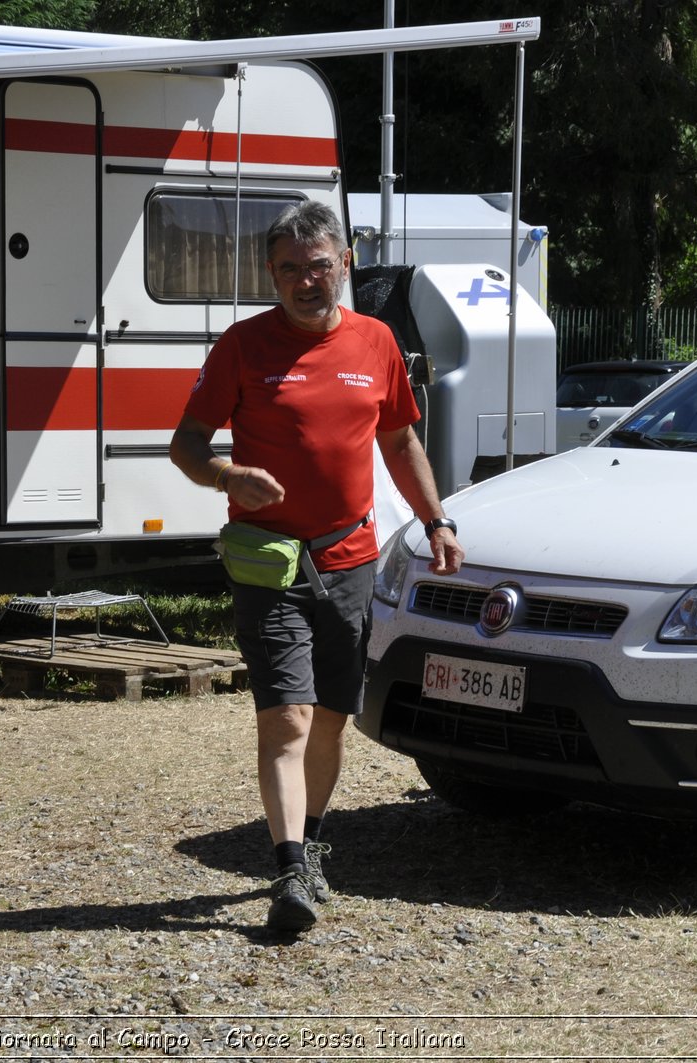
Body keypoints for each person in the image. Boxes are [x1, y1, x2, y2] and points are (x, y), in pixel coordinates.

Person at [169, 200, 464, 932]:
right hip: (268, 561)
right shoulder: (243, 346)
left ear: (346, 265)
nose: (307, 282)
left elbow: (400, 445)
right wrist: (225, 477)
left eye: (320, 267)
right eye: (291, 270)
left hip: (350, 556)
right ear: (271, 274)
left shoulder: (377, 342)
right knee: (289, 716)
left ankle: (314, 839)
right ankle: (290, 866)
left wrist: (436, 520)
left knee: (333, 716)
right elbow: (187, 442)